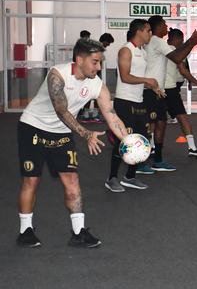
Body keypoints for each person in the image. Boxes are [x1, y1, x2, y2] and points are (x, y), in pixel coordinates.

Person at [17, 38, 130, 248]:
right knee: (31, 180)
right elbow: (61, 110)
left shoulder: (97, 85)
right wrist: (86, 134)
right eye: (95, 62)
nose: (99, 67)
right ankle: (26, 230)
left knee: (72, 179)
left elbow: (112, 115)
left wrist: (129, 142)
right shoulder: (58, 75)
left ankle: (78, 232)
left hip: (62, 132)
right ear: (79, 59)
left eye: (100, 62)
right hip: (33, 127)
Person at [106, 19, 161, 192]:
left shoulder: (142, 52)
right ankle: (111, 178)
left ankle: (130, 177)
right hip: (124, 102)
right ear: (139, 31)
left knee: (140, 141)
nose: (150, 33)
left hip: (138, 101)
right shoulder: (126, 50)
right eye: (148, 30)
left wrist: (153, 86)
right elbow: (125, 77)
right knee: (124, 140)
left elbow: (137, 79)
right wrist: (147, 80)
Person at [142, 15, 197, 172]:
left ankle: (156, 159)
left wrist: (190, 43)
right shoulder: (157, 41)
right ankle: (143, 162)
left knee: (159, 124)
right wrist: (191, 42)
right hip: (153, 90)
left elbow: (178, 56)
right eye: (164, 24)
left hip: (158, 90)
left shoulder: (156, 42)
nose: (166, 27)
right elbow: (177, 57)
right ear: (157, 27)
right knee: (150, 125)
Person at [165, 28, 197, 158]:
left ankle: (153, 147)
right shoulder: (173, 51)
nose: (182, 43)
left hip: (163, 88)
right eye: (181, 40)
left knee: (157, 121)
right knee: (182, 118)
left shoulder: (164, 49)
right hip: (169, 89)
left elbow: (183, 68)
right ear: (176, 39)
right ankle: (192, 148)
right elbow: (183, 69)